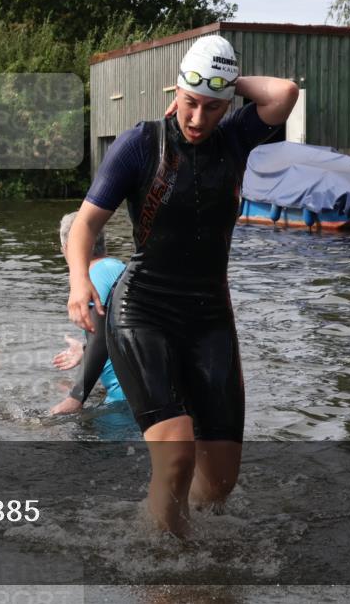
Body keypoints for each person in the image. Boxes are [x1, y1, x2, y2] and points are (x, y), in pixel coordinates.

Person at [65, 35, 298, 537]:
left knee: (219, 483)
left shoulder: (234, 138)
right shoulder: (140, 144)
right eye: (190, 102)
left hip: (209, 316)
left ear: (228, 104)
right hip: (143, 309)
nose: (197, 118)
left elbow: (284, 93)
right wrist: (79, 280)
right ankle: (167, 559)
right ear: (175, 92)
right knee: (176, 454)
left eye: (212, 107)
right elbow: (84, 225)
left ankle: (165, 522)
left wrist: (225, 82)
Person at [50, 212, 126, 415]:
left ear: (69, 248)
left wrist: (75, 398)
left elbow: (100, 339)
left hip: (124, 400)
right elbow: (122, 334)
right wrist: (86, 349)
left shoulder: (94, 276)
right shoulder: (119, 268)